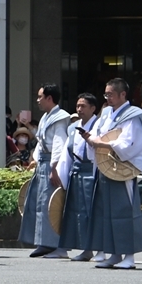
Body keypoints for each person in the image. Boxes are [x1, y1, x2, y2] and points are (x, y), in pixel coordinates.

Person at [82, 77, 142, 269]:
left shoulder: (133, 115)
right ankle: (114, 253)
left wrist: (100, 143)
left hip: (123, 168)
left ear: (123, 94)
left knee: (125, 211)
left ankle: (129, 256)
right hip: (106, 167)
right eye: (106, 94)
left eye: (110, 94)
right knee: (106, 212)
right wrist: (90, 139)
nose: (108, 97)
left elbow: (129, 144)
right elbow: (98, 133)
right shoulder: (107, 114)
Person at [21, 85, 70, 257]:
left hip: (51, 163)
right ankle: (44, 242)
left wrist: (55, 168)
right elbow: (42, 142)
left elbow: (59, 143)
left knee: (51, 203)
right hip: (43, 162)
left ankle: (54, 245)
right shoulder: (46, 117)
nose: (38, 99)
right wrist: (35, 158)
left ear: (49, 98)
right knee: (40, 202)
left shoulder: (60, 117)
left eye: (40, 96)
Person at [54, 92, 102, 262]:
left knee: (92, 212)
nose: (79, 109)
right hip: (77, 171)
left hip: (92, 171)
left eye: (83, 106)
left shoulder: (99, 125)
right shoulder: (73, 128)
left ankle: (99, 249)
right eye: (78, 106)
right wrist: (60, 174)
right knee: (77, 212)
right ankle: (85, 248)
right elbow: (68, 153)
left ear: (93, 108)